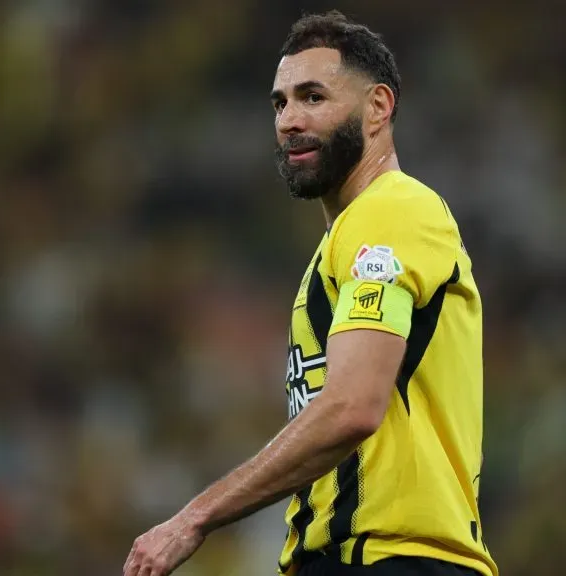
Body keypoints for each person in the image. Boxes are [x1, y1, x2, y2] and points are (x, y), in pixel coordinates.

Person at [124, 11, 497, 576]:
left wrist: (194, 518)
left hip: (392, 560)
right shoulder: (338, 247)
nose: (290, 121)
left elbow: (351, 406)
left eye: (314, 97)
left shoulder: (392, 211)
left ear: (378, 108)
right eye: (280, 104)